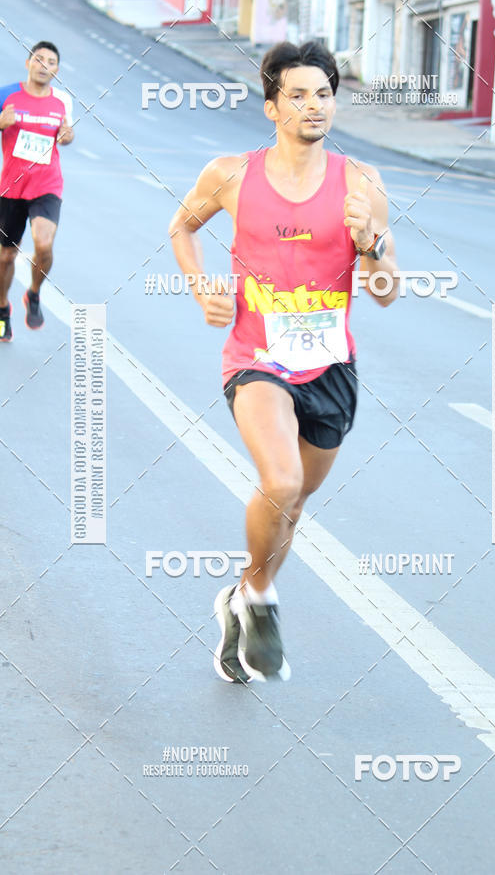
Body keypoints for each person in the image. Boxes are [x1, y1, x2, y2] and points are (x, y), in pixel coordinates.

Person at [169, 41, 398, 683]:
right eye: (297, 95)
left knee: (291, 506)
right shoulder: (232, 175)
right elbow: (181, 228)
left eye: (324, 94)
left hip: (331, 368)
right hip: (256, 358)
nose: (313, 105)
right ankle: (264, 602)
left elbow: (386, 292)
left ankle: (242, 595)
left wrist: (371, 243)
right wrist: (201, 285)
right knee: (283, 482)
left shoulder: (362, 185)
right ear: (272, 106)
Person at [0, 41, 74, 342]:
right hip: (11, 187)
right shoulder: (7, 95)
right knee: (5, 257)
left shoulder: (61, 101)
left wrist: (68, 136)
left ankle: (33, 294)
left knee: (43, 245)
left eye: (51, 62)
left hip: (47, 184)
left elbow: (66, 132)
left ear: (56, 70)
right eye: (39, 59)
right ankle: (3, 308)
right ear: (28, 62)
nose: (44, 65)